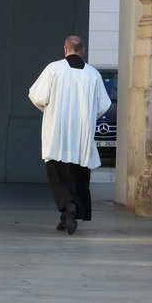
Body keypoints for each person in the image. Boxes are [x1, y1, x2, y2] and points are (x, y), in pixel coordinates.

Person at [28, 35, 110, 235]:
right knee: (77, 176)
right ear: (82, 50)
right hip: (81, 136)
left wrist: (50, 110)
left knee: (57, 175)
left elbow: (37, 95)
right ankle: (67, 216)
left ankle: (68, 205)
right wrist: (88, 116)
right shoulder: (93, 74)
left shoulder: (54, 69)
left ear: (65, 50)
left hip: (57, 132)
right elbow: (103, 106)